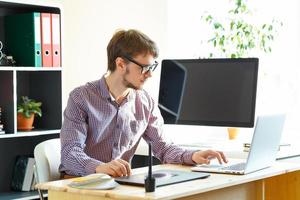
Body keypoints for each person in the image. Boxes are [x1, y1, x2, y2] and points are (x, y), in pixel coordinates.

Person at [59, 29, 227, 177]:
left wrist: (193, 156)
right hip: (79, 185)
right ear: (120, 64)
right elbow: (70, 153)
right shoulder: (81, 98)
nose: (149, 74)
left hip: (118, 186)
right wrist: (101, 167)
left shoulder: (146, 102)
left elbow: (162, 147)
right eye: (144, 68)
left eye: (152, 67)